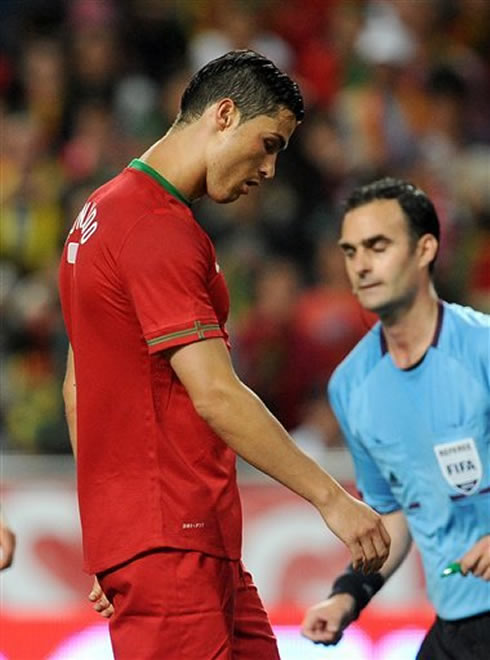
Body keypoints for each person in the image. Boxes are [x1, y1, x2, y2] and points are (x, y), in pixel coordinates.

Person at [59, 50, 390, 659]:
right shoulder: (155, 228)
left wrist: (113, 536)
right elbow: (214, 392)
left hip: (181, 542)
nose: (268, 168)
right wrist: (331, 498)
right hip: (174, 543)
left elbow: (78, 386)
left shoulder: (98, 213)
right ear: (225, 114)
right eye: (268, 145)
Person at [301, 177, 490, 660]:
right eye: (350, 251)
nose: (360, 265)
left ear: (425, 249)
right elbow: (395, 512)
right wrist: (348, 595)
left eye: (377, 246)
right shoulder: (351, 386)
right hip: (459, 627)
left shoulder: (483, 348)